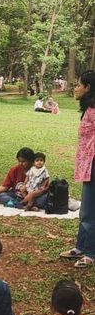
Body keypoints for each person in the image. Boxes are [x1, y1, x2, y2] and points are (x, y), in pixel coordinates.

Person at [61, 70, 95, 268]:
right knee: (86, 210)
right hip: (88, 164)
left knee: (91, 211)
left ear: (88, 88)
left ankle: (90, 254)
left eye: (79, 84)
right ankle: (82, 246)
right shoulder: (88, 108)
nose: (76, 87)